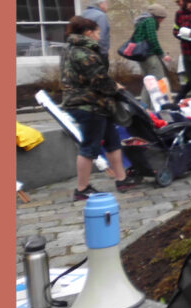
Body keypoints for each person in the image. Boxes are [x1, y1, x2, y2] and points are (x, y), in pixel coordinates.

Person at [60, 16, 140, 201]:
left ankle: (122, 179)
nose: (99, 36)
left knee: (112, 141)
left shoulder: (70, 49)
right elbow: (99, 80)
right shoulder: (84, 53)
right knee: (90, 147)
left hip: (95, 104)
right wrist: (115, 87)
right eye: (97, 32)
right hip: (88, 105)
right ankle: (82, 189)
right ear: (88, 33)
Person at [131, 4, 174, 108]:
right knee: (158, 80)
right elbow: (152, 40)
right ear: (158, 16)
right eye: (162, 18)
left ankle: (144, 107)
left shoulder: (141, 21)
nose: (162, 21)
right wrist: (162, 55)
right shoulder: (150, 21)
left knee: (148, 81)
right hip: (149, 56)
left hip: (141, 56)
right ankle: (160, 106)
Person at [80, 0, 111, 66]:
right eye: (106, 3)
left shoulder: (83, 14)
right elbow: (102, 36)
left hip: (83, 52)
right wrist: (104, 53)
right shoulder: (101, 16)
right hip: (98, 53)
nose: (107, 6)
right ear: (101, 4)